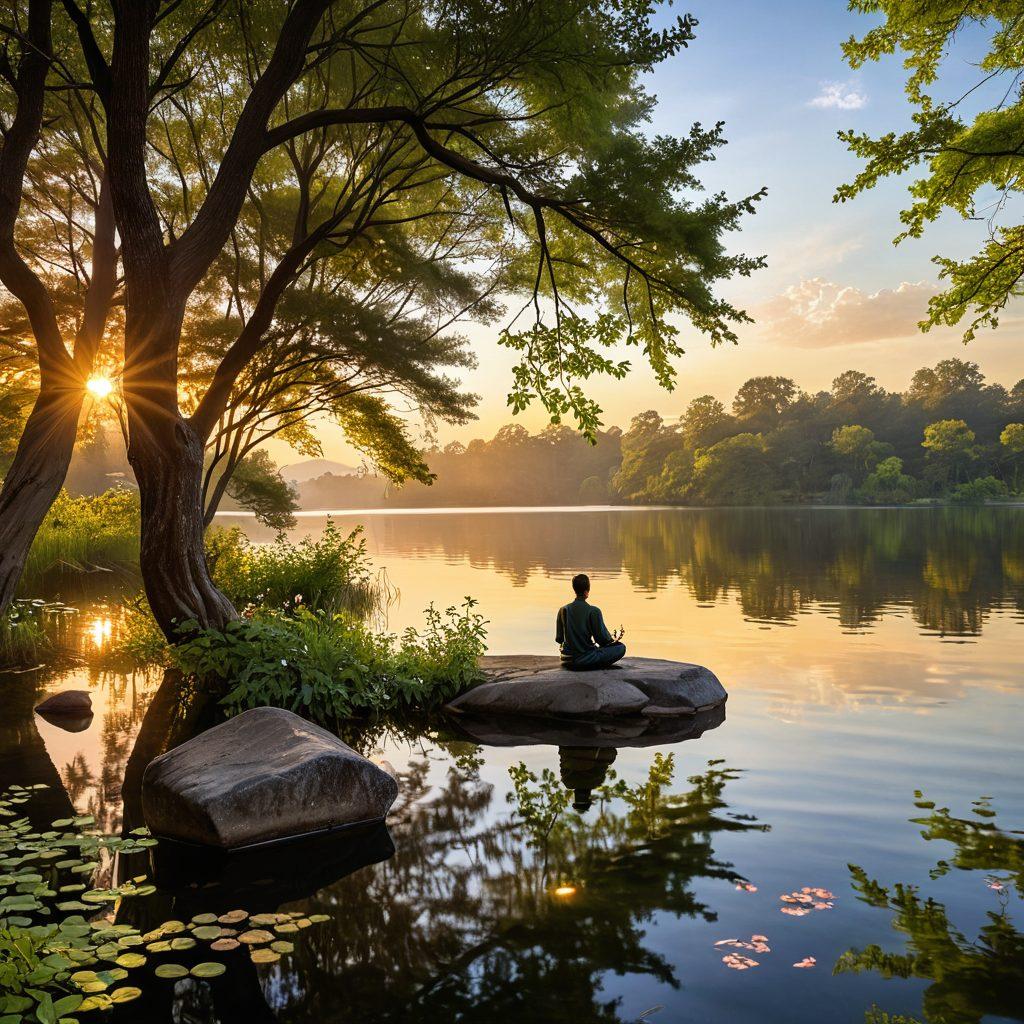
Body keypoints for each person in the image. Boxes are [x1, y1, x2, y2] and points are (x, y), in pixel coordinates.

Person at [555, 573, 626, 670]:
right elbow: (602, 640)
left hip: (566, 659)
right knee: (621, 648)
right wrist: (614, 640)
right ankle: (594, 664)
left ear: (574, 590)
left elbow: (559, 639)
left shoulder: (563, 610)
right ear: (587, 591)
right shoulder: (593, 611)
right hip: (585, 659)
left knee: (595, 649)